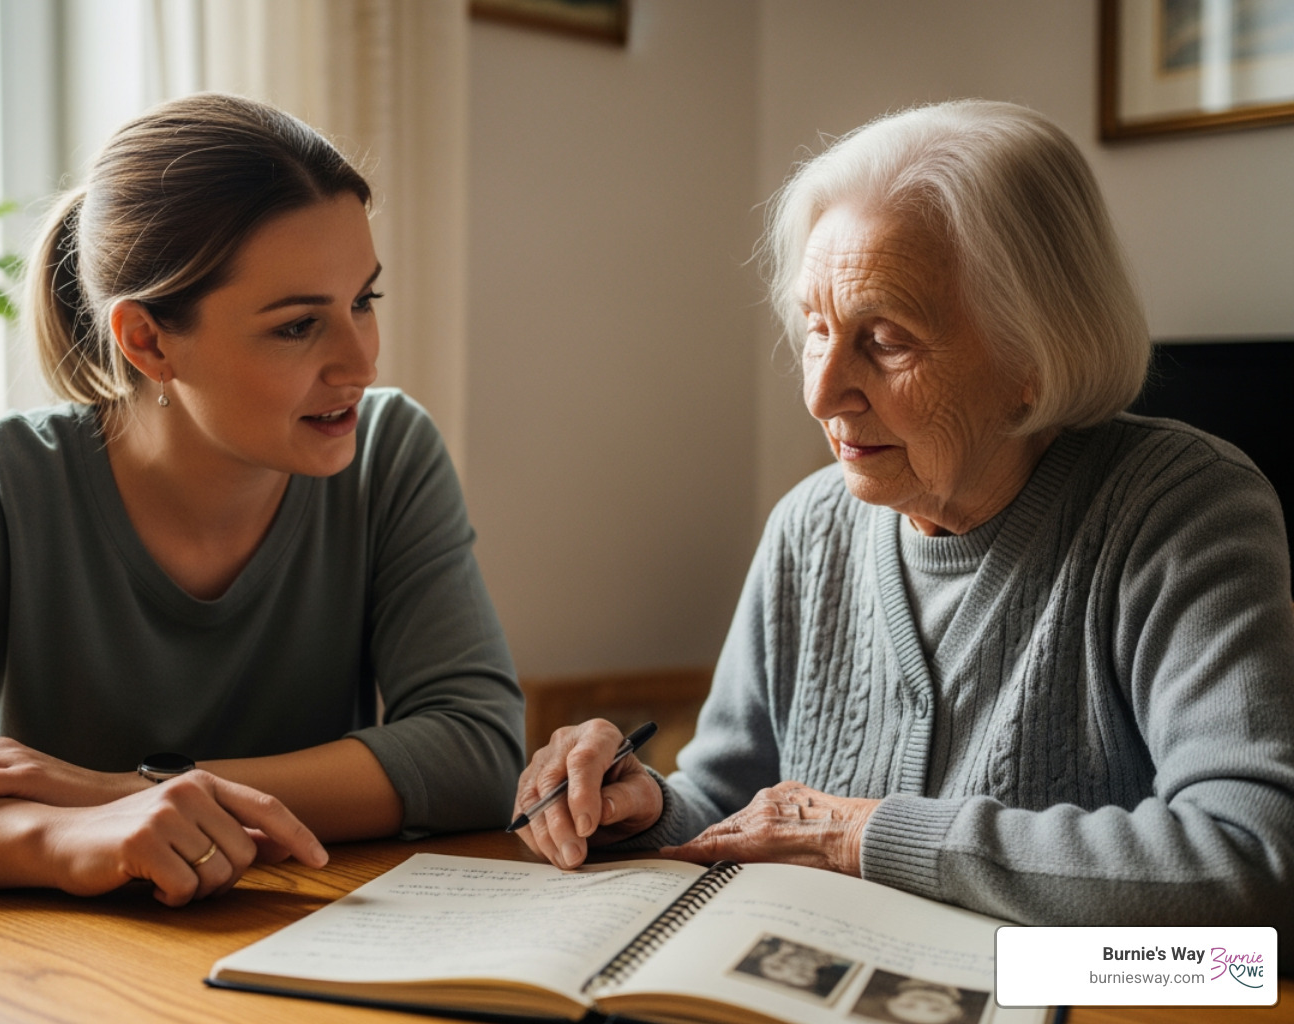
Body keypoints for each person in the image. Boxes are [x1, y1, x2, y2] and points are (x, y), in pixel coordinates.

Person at [512, 99, 1294, 927]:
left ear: (1033, 353)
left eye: (885, 342)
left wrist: (861, 834)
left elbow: (1254, 857)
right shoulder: (808, 529)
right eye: (818, 330)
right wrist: (639, 807)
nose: (821, 392)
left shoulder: (1181, 509)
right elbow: (735, 803)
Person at [0, 93, 523, 905]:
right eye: (298, 326)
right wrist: (51, 836)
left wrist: (114, 789)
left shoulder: (388, 451)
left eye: (363, 301)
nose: (359, 363)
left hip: (307, 946)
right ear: (147, 340)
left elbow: (474, 751)